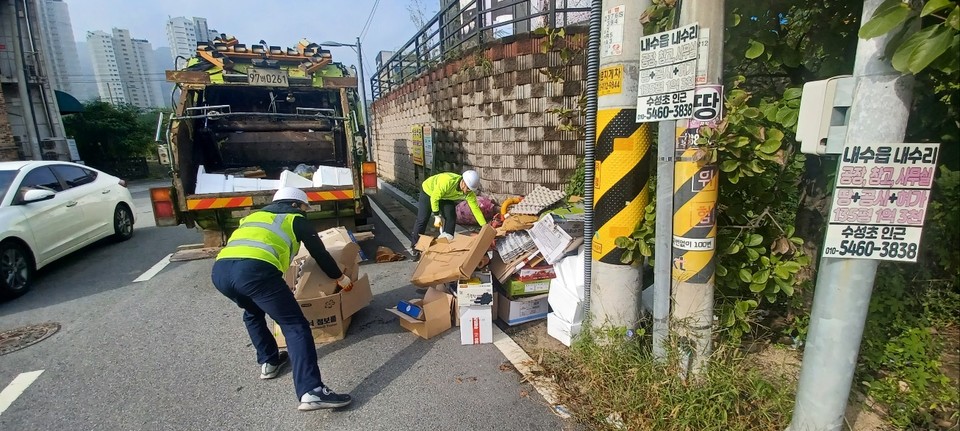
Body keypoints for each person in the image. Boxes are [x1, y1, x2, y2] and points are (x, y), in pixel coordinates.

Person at [211, 187, 353, 412]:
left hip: (220, 272)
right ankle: (311, 390)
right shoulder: (295, 219)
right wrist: (340, 278)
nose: (305, 212)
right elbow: (320, 253)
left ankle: (269, 361)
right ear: (296, 204)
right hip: (255, 272)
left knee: (252, 312)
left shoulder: (252, 217)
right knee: (295, 325)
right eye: (305, 207)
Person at [410, 170, 486, 257]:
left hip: (446, 196)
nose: (467, 191)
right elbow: (434, 198)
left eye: (470, 190)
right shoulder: (447, 181)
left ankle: (445, 244)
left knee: (451, 217)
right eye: (467, 188)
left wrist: (484, 225)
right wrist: (436, 215)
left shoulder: (469, 194)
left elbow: (475, 209)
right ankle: (415, 247)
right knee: (423, 219)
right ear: (463, 182)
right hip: (429, 191)